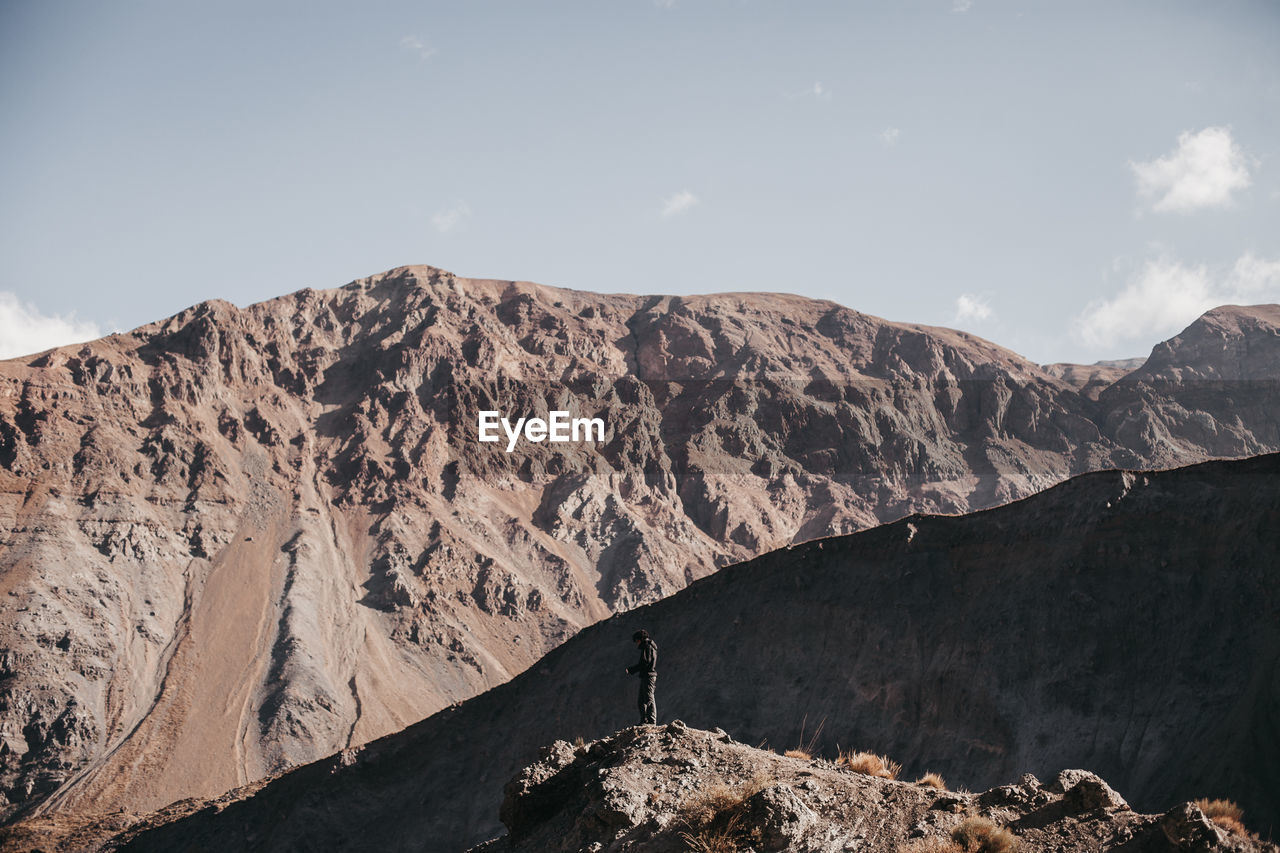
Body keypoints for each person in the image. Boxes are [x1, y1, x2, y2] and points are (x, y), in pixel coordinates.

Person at [625, 629, 658, 725]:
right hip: (647, 676)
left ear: (640, 639)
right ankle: (644, 721)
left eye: (637, 641)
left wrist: (632, 670)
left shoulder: (647, 647)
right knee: (641, 700)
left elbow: (644, 663)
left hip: (648, 676)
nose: (636, 643)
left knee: (648, 699)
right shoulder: (649, 646)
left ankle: (651, 722)